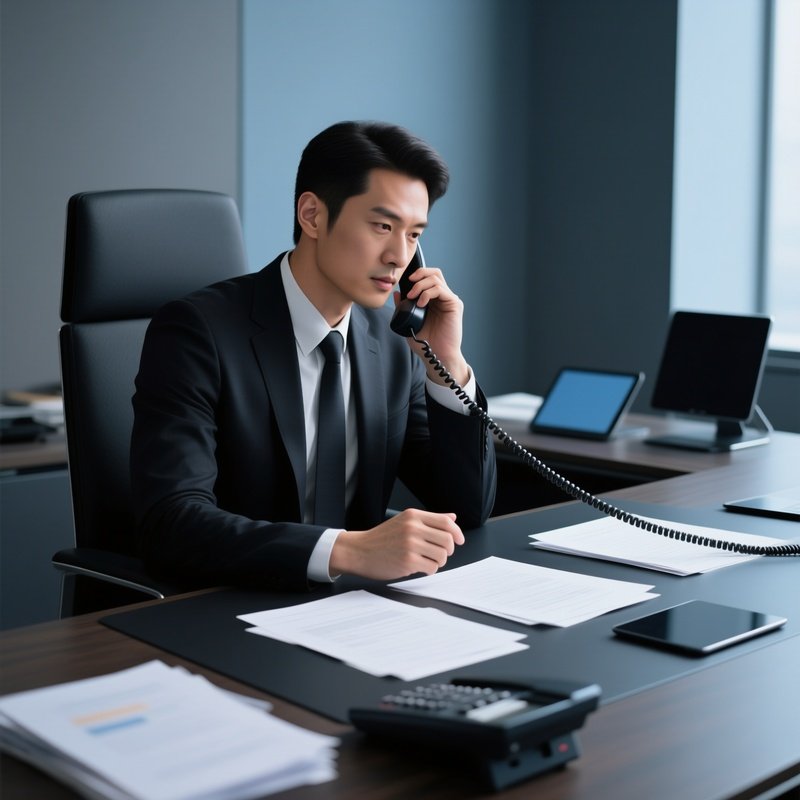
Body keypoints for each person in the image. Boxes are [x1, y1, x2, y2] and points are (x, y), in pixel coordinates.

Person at [130, 120, 497, 591]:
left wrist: (446, 365)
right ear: (313, 215)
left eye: (413, 236)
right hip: (229, 606)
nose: (397, 257)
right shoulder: (197, 332)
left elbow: (467, 509)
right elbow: (172, 523)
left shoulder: (394, 345)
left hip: (352, 613)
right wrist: (348, 550)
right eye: (382, 226)